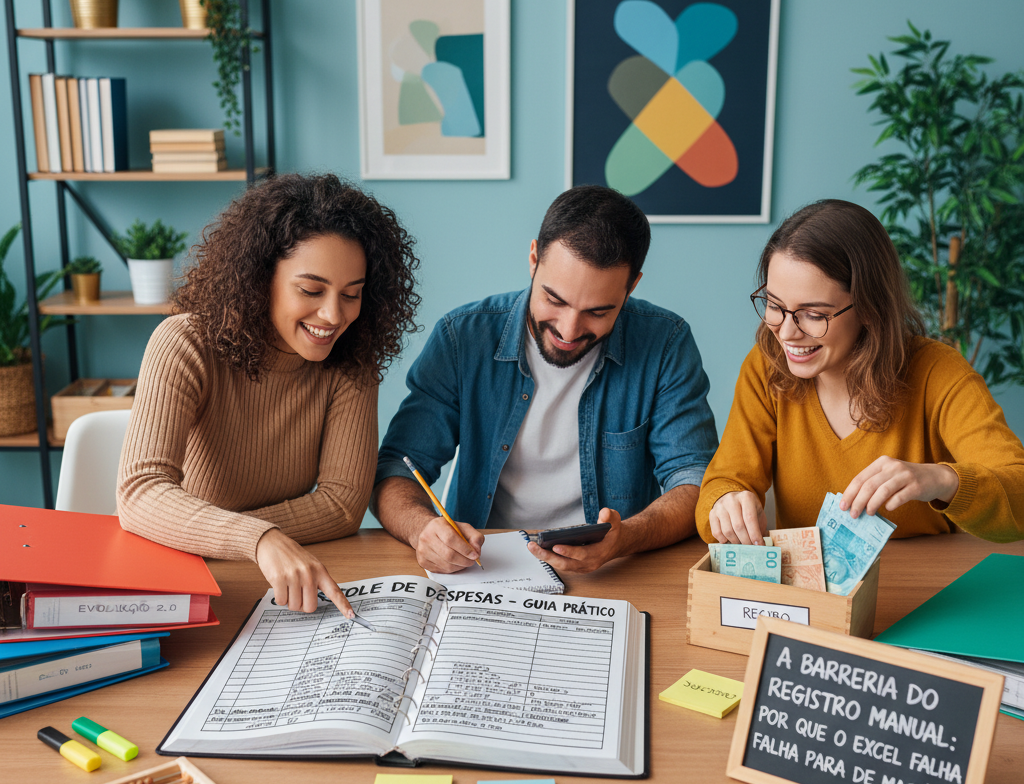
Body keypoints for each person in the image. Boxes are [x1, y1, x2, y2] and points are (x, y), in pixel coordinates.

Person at [372, 185, 719, 576]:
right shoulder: (462, 338)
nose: (569, 330)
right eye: (554, 300)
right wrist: (423, 530)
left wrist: (626, 538)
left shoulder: (666, 343)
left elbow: (694, 479)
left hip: (614, 571)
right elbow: (396, 469)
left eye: (598, 312)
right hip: (482, 568)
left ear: (632, 286)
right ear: (534, 258)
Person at [117, 173, 420, 614]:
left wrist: (261, 544)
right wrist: (257, 539)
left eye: (352, 294)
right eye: (311, 290)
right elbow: (140, 492)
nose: (334, 315)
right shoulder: (184, 344)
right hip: (180, 571)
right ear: (260, 278)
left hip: (273, 573)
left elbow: (341, 506)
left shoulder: (351, 361)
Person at [696, 198, 1024, 545]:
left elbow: (1018, 500)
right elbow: (720, 486)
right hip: (816, 595)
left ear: (870, 308)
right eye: (775, 305)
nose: (787, 332)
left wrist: (941, 480)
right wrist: (725, 502)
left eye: (813, 314)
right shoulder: (765, 366)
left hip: (929, 585)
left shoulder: (938, 372)